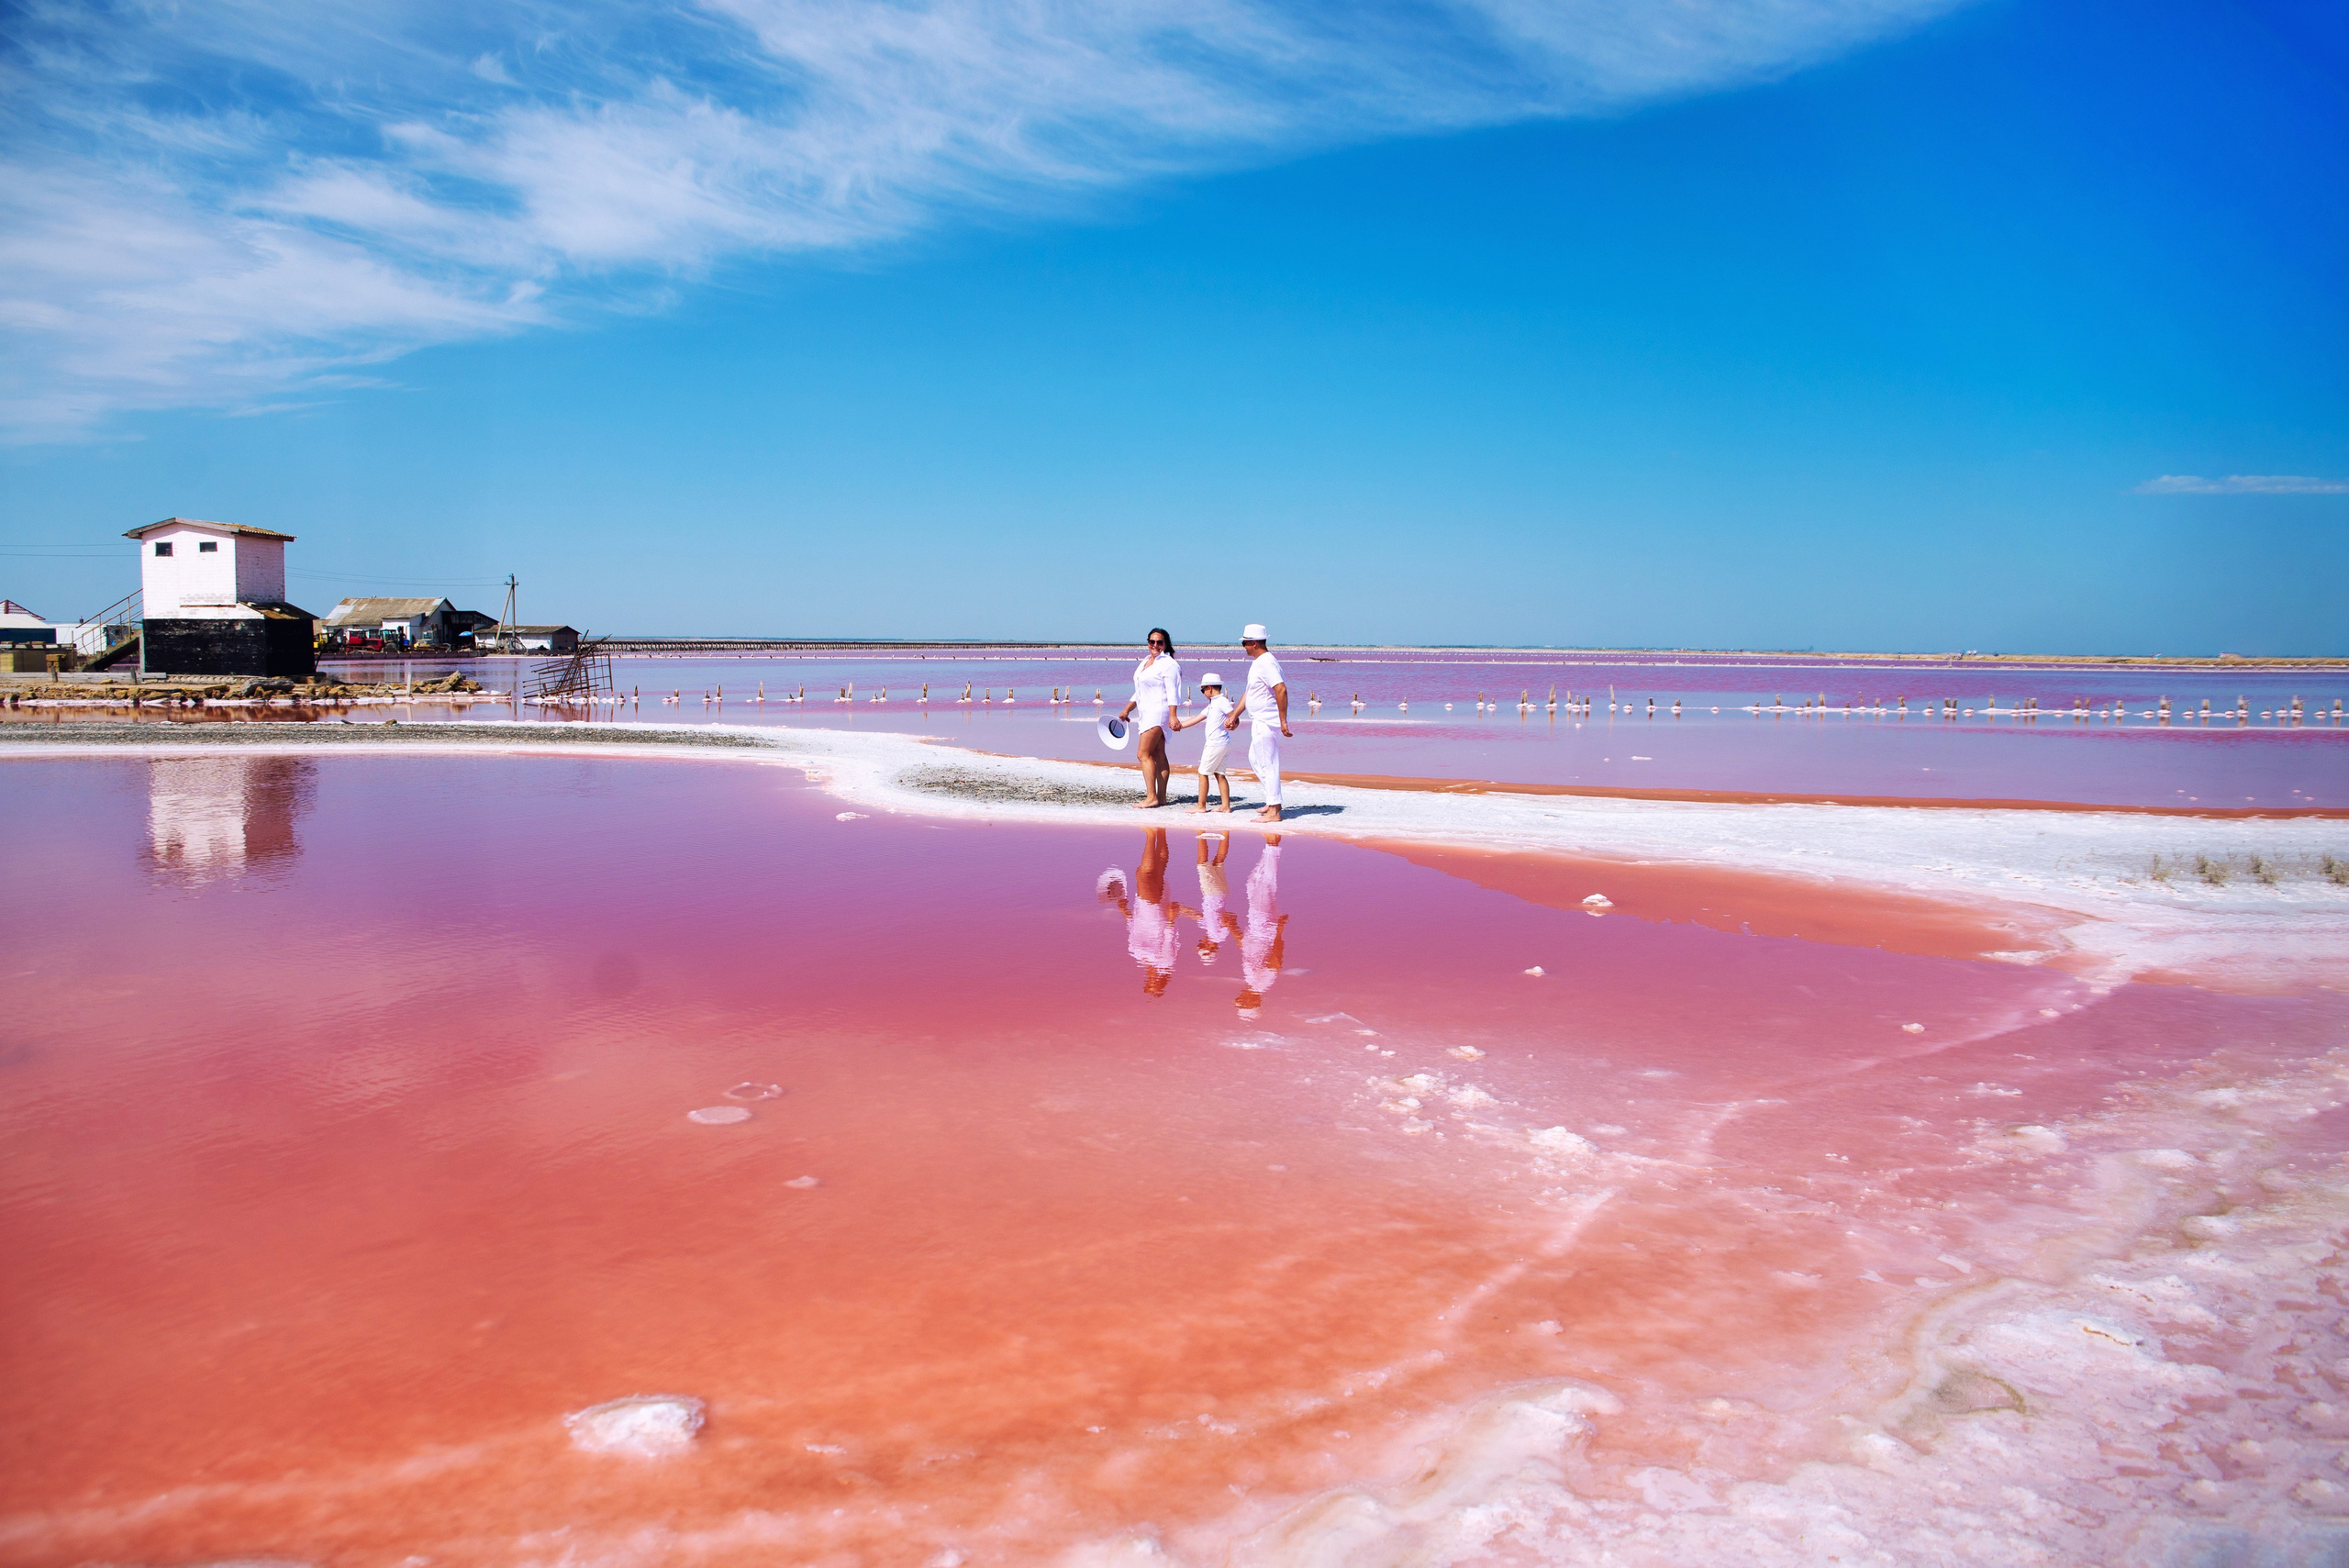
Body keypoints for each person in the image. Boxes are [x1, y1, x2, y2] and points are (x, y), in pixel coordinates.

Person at [1224, 623, 1292, 823]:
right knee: (1256, 759)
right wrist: (1234, 715)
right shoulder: (1259, 663)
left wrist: (1283, 720)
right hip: (1259, 720)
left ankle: (1275, 810)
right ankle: (1272, 801)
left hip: (1266, 721)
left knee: (1267, 763)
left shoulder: (1266, 663)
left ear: (1254, 643)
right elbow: (1250, 693)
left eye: (1245, 643)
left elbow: (1281, 689)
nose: (1244, 646)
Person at [1116, 628, 1182, 809]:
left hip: (1158, 712)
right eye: (1152, 642)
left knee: (1142, 754)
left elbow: (1173, 692)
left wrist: (1174, 716)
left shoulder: (1168, 664)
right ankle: (1161, 798)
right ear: (1147, 643)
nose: (1155, 645)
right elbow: (1139, 691)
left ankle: (1151, 796)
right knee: (1158, 754)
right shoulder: (1146, 661)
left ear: (1166, 644)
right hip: (1145, 712)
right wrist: (1127, 710)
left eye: (1159, 642)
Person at [1235, 833, 1287, 1015]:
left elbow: (1251, 953)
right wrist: (1279, 930)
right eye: (1242, 1003)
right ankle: (1273, 846)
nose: (1238, 999)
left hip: (1257, 926)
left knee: (1253, 883)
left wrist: (1236, 932)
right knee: (1265, 886)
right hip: (1263, 927)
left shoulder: (1253, 982)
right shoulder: (1261, 983)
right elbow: (1276, 963)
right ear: (1252, 1002)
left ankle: (1270, 847)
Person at [1188, 672, 1236, 813]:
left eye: (1203, 690)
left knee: (1203, 773)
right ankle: (1226, 806)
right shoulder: (1212, 704)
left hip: (1216, 743)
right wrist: (1179, 726)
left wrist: (1233, 723)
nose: (1203, 693)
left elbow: (1232, 715)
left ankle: (1201, 805)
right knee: (1219, 774)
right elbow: (1198, 718)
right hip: (1223, 743)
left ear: (1209, 688)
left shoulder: (1221, 702)